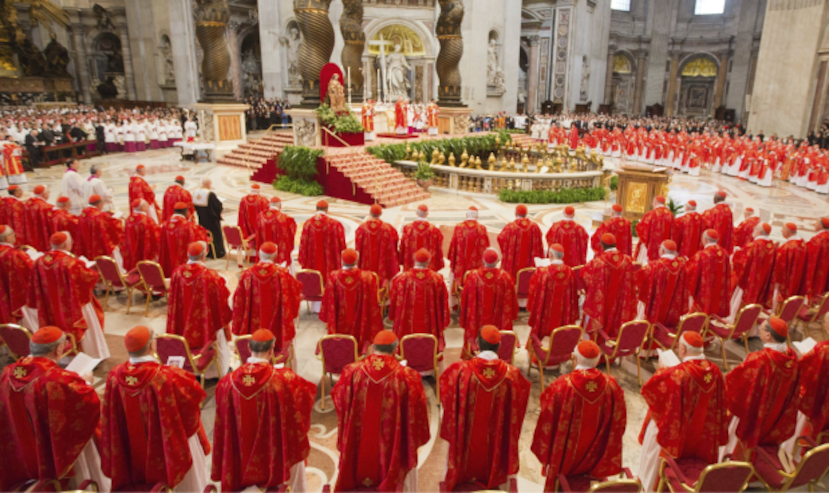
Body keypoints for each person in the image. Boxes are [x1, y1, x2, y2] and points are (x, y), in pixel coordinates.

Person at [100, 326, 210, 493]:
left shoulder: (114, 376)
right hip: (166, 442)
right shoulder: (169, 376)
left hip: (130, 441)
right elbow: (193, 402)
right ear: (152, 346)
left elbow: (110, 413)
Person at [212, 329, 316, 493]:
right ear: (272, 348)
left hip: (240, 445)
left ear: (248, 346)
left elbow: (222, 424)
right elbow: (307, 394)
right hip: (273, 446)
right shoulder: (283, 380)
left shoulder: (226, 384)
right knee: (293, 440)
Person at [0, 326, 102, 492]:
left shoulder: (7, 372)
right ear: (58, 349)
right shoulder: (56, 379)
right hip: (49, 440)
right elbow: (84, 404)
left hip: (20, 436)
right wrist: (88, 382)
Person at [331, 331, 430, 493]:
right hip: (391, 441)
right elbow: (417, 411)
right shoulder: (407, 376)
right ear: (396, 349)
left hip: (358, 437)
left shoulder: (351, 373)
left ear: (372, 348)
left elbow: (338, 398)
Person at [439, 326, 531, 492]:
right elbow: (518, 409)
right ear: (500, 345)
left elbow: (446, 399)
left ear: (477, 344)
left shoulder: (460, 371)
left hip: (466, 436)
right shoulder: (513, 375)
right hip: (498, 436)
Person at [638, 332, 728, 492]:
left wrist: (661, 370)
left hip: (678, 431)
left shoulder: (677, 374)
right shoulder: (715, 372)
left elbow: (651, 391)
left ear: (683, 349)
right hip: (702, 433)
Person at [531, 341, 626, 492]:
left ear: (574, 359)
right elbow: (619, 423)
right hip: (596, 459)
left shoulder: (562, 386)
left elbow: (548, 419)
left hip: (565, 459)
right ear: (597, 361)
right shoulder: (612, 386)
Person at [723, 317, 800, 461]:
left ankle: (736, 463)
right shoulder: (792, 356)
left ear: (768, 335)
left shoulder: (759, 360)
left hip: (756, 409)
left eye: (762, 328)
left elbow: (737, 382)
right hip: (776, 409)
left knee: (741, 436)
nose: (759, 329)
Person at [24, 232, 110, 359]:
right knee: (83, 327)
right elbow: (88, 277)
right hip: (72, 304)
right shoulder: (69, 262)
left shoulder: (39, 262)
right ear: (66, 245)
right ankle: (91, 356)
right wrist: (91, 270)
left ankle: (62, 356)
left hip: (49, 305)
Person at [166, 241, 232, 377]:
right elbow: (221, 302)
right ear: (204, 256)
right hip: (206, 322)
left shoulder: (177, 273)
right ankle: (216, 373)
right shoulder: (211, 276)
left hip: (183, 318)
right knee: (217, 339)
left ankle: (190, 369)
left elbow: (173, 299)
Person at [231, 242, 301, 353]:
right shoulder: (282, 274)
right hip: (277, 322)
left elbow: (238, 300)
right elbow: (294, 293)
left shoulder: (246, 274)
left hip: (253, 323)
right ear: (275, 256)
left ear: (259, 254)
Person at [320, 249, 382, 355]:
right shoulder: (367, 277)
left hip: (340, 321)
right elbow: (372, 303)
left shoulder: (333, 277)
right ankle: (360, 348)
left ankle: (340, 350)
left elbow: (328, 301)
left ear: (341, 261)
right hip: (361, 322)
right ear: (357, 260)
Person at [459, 249, 518, 356]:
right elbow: (511, 302)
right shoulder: (505, 278)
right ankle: (498, 354)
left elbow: (465, 300)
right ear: (497, 261)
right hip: (498, 321)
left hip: (477, 321)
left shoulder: (473, 277)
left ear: (482, 260)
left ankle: (474, 353)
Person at [389, 248, 451, 350]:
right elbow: (443, 303)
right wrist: (444, 321)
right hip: (430, 327)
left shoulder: (401, 279)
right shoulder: (437, 279)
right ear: (429, 261)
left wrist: (392, 316)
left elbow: (395, 302)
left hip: (406, 328)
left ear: (414, 259)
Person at [785, 313, 829, 454]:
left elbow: (808, 372)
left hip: (821, 399)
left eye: (824, 322)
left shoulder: (823, 350)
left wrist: (803, 356)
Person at [582, 233, 638, 342]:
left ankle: (597, 340)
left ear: (602, 246)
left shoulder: (598, 262)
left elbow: (585, 276)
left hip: (602, 303)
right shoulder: (627, 260)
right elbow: (632, 282)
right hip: (620, 301)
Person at [527, 243, 580, 344]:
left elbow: (533, 290)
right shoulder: (570, 272)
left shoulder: (542, 273)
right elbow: (573, 297)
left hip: (545, 318)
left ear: (550, 255)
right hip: (563, 316)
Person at [636, 240, 690, 329]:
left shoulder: (654, 266)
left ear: (662, 251)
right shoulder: (682, 266)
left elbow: (640, 278)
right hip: (673, 304)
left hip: (657, 304)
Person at [730, 222, 777, 324]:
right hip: (761, 282)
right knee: (755, 303)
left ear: (759, 231)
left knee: (742, 302)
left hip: (749, 282)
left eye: (755, 228)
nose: (753, 230)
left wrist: (737, 253)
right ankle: (750, 328)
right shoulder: (771, 247)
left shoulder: (753, 246)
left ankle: (738, 327)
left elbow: (742, 263)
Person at [685, 229, 731, 317]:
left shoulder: (702, 255)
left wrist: (686, 264)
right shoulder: (725, 253)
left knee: (701, 312)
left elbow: (691, 271)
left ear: (705, 240)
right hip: (719, 289)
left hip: (705, 291)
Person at [298, 200, 346, 281]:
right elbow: (341, 244)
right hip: (329, 262)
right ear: (327, 209)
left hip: (312, 262)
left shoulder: (308, 224)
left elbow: (303, 244)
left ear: (316, 209)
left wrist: (302, 257)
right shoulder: (334, 224)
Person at [354, 204, 399, 289]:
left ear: (370, 213)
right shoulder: (388, 228)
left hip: (366, 262)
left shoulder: (362, 228)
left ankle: (366, 288)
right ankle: (383, 290)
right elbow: (395, 242)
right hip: (383, 263)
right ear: (381, 213)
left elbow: (358, 245)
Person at [159, 202, 209, 276]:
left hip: (169, 258)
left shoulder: (164, 225)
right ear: (185, 212)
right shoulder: (188, 226)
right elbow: (199, 240)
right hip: (183, 264)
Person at [447, 206, 491, 289]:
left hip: (460, 265)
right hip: (476, 267)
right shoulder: (482, 229)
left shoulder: (458, 227)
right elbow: (486, 249)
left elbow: (453, 247)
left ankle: (457, 294)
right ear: (477, 216)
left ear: (466, 214)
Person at [497, 204, 544, 280]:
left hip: (514, 264)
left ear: (515, 214)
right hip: (530, 264)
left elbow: (500, 238)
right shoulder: (534, 227)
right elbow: (539, 241)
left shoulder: (510, 227)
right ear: (526, 214)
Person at [76, 194, 124, 264]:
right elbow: (113, 226)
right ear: (99, 203)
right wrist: (118, 220)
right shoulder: (100, 215)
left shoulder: (82, 214)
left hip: (88, 244)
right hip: (100, 244)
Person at [0, 226, 32, 324]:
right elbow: (30, 272)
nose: (15, 235)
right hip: (16, 297)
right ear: (7, 238)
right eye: (12, 234)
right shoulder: (14, 254)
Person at [399, 204, 444, 272]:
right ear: (427, 214)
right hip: (428, 265)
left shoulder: (408, 228)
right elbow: (438, 246)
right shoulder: (434, 230)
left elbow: (403, 246)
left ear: (416, 213)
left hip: (411, 265)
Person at [254, 197, 296, 267]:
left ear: (269, 205)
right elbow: (290, 233)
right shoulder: (284, 218)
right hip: (278, 252)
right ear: (280, 206)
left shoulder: (260, 217)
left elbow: (257, 234)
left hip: (264, 248)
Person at [774, 223, 809, 306]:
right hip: (798, 277)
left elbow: (778, 265)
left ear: (787, 232)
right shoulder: (803, 244)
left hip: (787, 279)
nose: (781, 231)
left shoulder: (787, 247)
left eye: (782, 229)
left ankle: (778, 311)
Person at [123, 199, 160, 271]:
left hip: (132, 247)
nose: (148, 206)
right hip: (144, 247)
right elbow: (156, 235)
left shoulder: (129, 219)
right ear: (142, 207)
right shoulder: (147, 220)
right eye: (146, 205)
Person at [192, 177, 225, 259]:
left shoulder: (195, 192)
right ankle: (217, 253)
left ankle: (207, 252)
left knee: (205, 234)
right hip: (212, 220)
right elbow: (217, 206)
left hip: (201, 219)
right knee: (215, 235)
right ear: (207, 184)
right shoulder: (209, 194)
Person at [636, 196, 674, 264]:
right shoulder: (670, 215)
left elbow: (641, 228)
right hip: (664, 248)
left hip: (650, 246)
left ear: (655, 202)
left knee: (645, 264)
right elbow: (674, 231)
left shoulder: (651, 214)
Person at [23, 184, 52, 251]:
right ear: (44, 195)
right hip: (41, 233)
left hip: (31, 232)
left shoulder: (28, 203)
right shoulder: (45, 206)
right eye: (48, 192)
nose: (49, 194)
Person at [806, 217, 829, 298]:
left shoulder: (818, 239)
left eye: (816, 223)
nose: (814, 224)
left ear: (820, 226)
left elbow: (808, 253)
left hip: (817, 270)